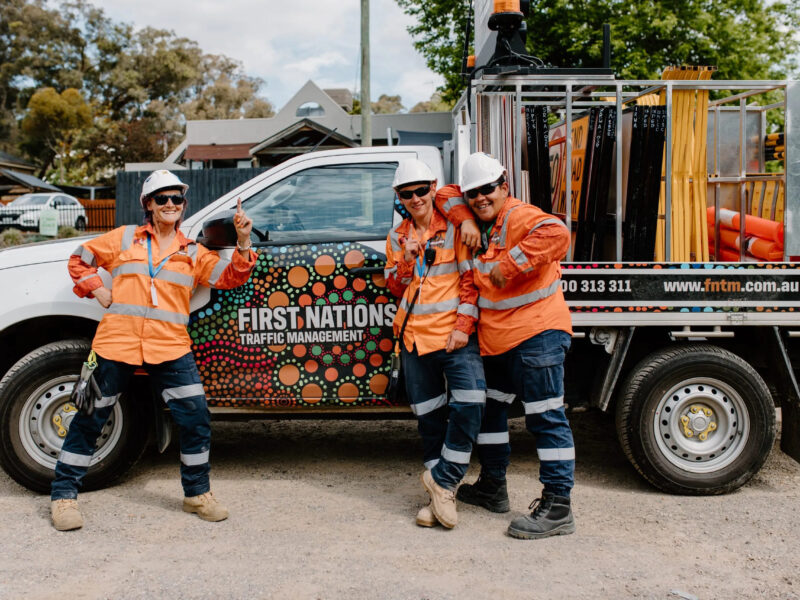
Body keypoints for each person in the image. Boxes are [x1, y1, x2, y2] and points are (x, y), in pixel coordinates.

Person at [50, 170, 256, 531]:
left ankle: (197, 494)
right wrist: (97, 289)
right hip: (117, 342)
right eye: (162, 198)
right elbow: (79, 259)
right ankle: (64, 497)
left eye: (177, 199)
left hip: (170, 346)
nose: (171, 204)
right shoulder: (124, 238)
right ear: (148, 204)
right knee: (89, 417)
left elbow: (232, 276)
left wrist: (242, 241)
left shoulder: (193, 252)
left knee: (195, 418)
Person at [436, 152, 576, 539]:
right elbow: (443, 193)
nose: (481, 197)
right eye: (473, 193)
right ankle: (493, 486)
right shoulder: (473, 227)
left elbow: (558, 234)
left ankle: (559, 506)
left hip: (538, 334)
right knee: (491, 412)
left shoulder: (518, 216)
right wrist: (463, 216)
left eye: (488, 190)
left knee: (546, 417)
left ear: (504, 187)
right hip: (497, 342)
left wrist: (510, 264)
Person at [384, 159, 485, 529]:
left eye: (421, 190)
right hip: (413, 340)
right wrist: (406, 262)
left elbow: (471, 282)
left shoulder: (457, 226)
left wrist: (463, 325)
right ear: (399, 197)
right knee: (429, 420)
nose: (415, 198)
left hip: (454, 337)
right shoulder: (397, 237)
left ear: (432, 186)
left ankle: (442, 480)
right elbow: (394, 287)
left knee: (472, 402)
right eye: (406, 194)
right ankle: (441, 498)